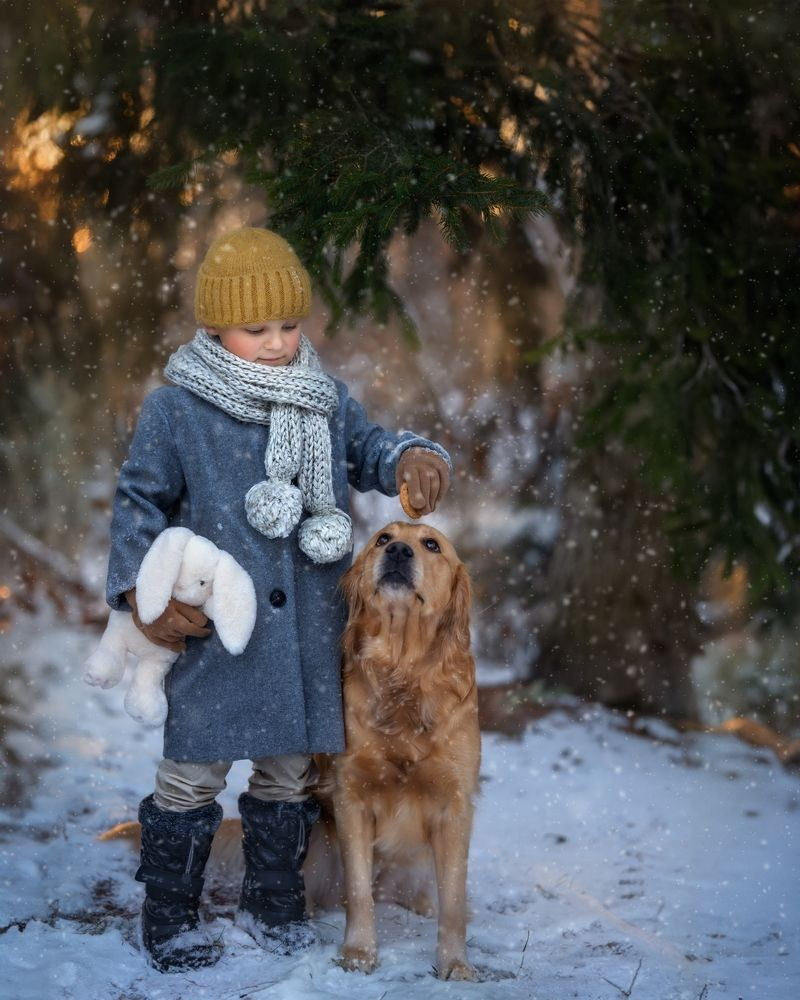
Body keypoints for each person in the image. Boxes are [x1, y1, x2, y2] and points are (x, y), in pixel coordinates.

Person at [105, 227, 451, 972]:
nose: (275, 342)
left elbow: (372, 450)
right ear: (214, 328)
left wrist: (410, 458)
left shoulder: (324, 399)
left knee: (288, 774)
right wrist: (140, 592)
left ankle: (273, 899)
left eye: (288, 325)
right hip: (218, 634)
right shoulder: (178, 411)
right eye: (254, 328)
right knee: (193, 773)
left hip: (302, 637)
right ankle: (168, 912)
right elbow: (139, 503)